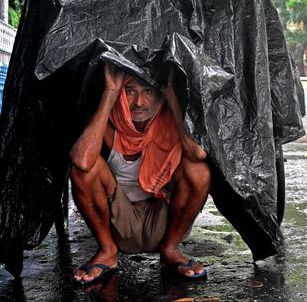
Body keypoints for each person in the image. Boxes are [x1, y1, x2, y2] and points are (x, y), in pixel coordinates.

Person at [69, 62, 211, 286]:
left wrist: (171, 97)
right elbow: (81, 161)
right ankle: (107, 251)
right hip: (118, 225)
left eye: (148, 91)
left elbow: (198, 154)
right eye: (130, 91)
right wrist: (110, 93)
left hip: (162, 220)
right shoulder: (107, 122)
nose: (139, 102)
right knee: (84, 171)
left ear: (159, 94)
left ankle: (171, 249)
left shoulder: (170, 121)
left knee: (199, 170)